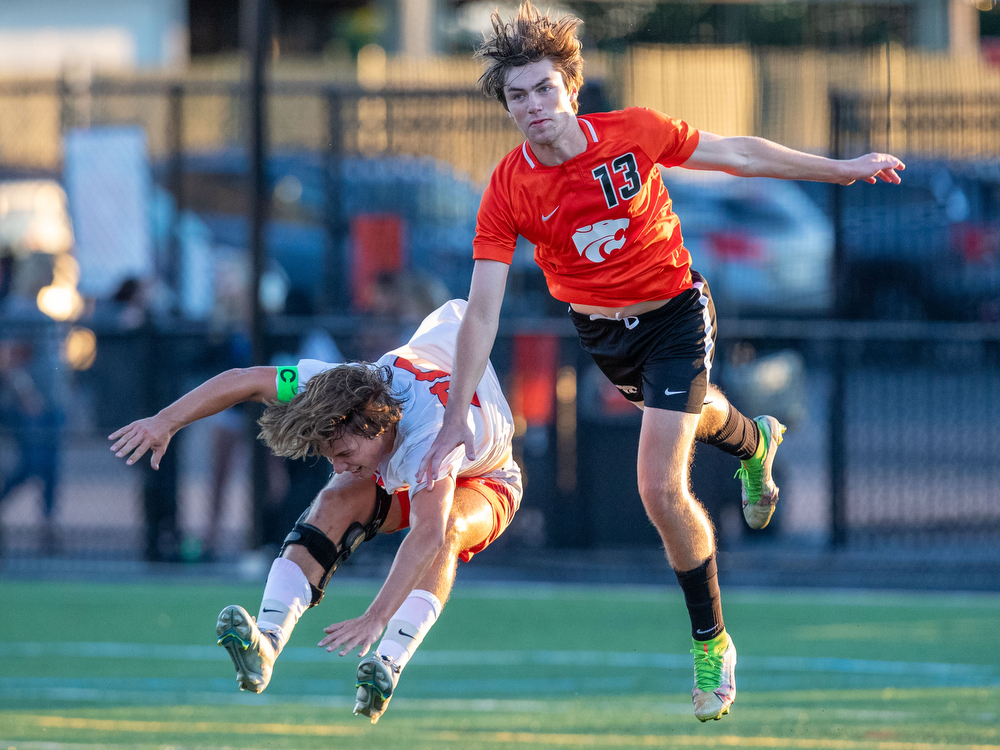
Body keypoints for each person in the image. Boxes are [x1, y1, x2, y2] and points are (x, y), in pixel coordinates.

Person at [417, 2, 904, 723]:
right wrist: (456, 419)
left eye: (544, 89)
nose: (532, 106)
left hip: (675, 313)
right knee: (691, 412)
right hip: (605, 336)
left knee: (657, 484)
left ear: (571, 89)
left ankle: (712, 642)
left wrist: (840, 169)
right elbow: (481, 311)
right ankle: (757, 439)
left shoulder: (631, 135)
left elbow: (737, 154)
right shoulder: (508, 189)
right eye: (517, 95)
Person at [108, 299, 521, 724]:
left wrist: (376, 617)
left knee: (448, 525)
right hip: (403, 449)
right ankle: (266, 642)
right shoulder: (338, 386)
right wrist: (166, 421)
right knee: (333, 497)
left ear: (373, 424)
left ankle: (389, 661)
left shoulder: (430, 438)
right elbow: (245, 380)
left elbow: (427, 534)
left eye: (342, 452)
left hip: (489, 478)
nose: (337, 464)